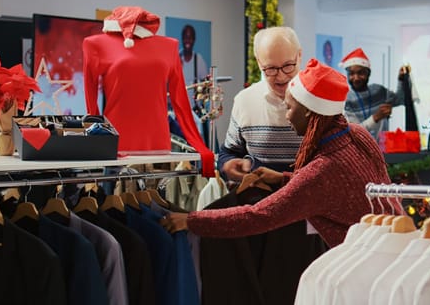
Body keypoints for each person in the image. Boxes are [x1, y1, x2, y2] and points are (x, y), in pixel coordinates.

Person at [167, 58, 399, 247]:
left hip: (363, 263)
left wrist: (191, 220)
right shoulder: (357, 134)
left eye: (289, 108)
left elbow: (258, 216)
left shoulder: (321, 171)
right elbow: (339, 190)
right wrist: (283, 179)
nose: (287, 115)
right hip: (395, 241)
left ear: (309, 112)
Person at [82, 6, 214, 176]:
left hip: (157, 140)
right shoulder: (95, 44)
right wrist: (97, 137)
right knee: (113, 198)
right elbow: (90, 98)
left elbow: (179, 98)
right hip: (116, 141)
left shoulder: (169, 46)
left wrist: (198, 144)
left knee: (155, 196)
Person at [217, 26, 304, 182]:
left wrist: (282, 179)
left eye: (288, 65)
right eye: (270, 68)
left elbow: (335, 164)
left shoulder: (321, 101)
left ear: (299, 55)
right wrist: (228, 165)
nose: (281, 76)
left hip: (310, 202)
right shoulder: (245, 100)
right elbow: (228, 152)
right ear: (258, 62)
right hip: (258, 201)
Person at [341, 47, 405, 139]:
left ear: (368, 73)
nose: (356, 78)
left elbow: (401, 99)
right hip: (360, 151)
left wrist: (401, 80)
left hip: (382, 149)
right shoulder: (346, 100)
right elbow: (354, 132)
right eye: (351, 74)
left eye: (360, 73)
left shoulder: (379, 91)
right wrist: (376, 117)